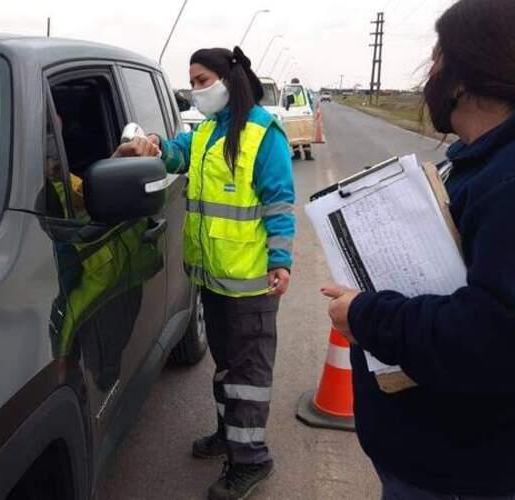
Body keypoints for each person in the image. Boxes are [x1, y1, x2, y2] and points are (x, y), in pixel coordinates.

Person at [323, 0, 515, 498]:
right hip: (451, 465)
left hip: (486, 478)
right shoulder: (495, 161)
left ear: (462, 76)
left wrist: (366, 316)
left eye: (437, 57)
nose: (429, 73)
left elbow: (504, 340)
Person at [115, 46, 295, 500]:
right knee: (226, 367)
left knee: (248, 376)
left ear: (227, 80)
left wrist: (281, 260)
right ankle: (227, 435)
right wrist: (150, 143)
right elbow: (175, 154)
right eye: (191, 83)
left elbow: (279, 203)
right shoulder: (210, 132)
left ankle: (252, 460)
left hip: (251, 283)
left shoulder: (262, 135)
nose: (196, 91)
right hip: (213, 278)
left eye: (201, 81)